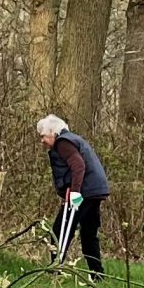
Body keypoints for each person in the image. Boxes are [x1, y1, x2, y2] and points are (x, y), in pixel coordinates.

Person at [36, 114, 110, 275]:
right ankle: (97, 273)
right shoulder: (72, 140)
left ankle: (55, 268)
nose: (42, 141)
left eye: (43, 136)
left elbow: (78, 166)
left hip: (85, 192)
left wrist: (75, 192)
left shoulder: (63, 143)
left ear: (53, 132)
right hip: (94, 190)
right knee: (88, 233)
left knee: (59, 231)